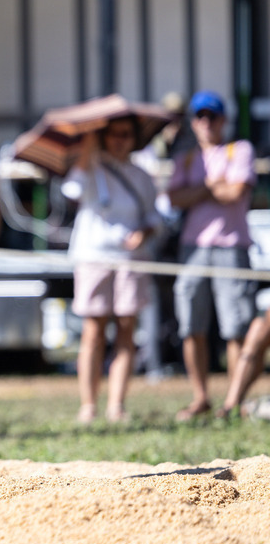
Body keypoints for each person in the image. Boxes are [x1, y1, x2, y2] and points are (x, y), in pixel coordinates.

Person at [61, 117, 162, 424]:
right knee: (93, 329)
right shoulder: (90, 167)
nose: (120, 139)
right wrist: (86, 152)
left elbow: (155, 218)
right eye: (114, 134)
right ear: (104, 137)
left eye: (126, 134)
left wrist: (143, 233)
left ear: (135, 138)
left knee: (127, 328)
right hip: (93, 255)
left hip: (130, 259)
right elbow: (70, 190)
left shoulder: (142, 175)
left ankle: (117, 405)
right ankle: (88, 405)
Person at [167, 90, 257, 422]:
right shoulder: (187, 158)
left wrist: (198, 191)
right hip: (194, 249)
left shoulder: (240, 150)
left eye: (212, 116)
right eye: (200, 116)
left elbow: (235, 192)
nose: (207, 123)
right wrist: (210, 186)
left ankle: (234, 400)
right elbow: (174, 198)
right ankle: (200, 397)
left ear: (223, 120)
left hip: (232, 246)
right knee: (191, 324)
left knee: (236, 326)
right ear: (194, 122)